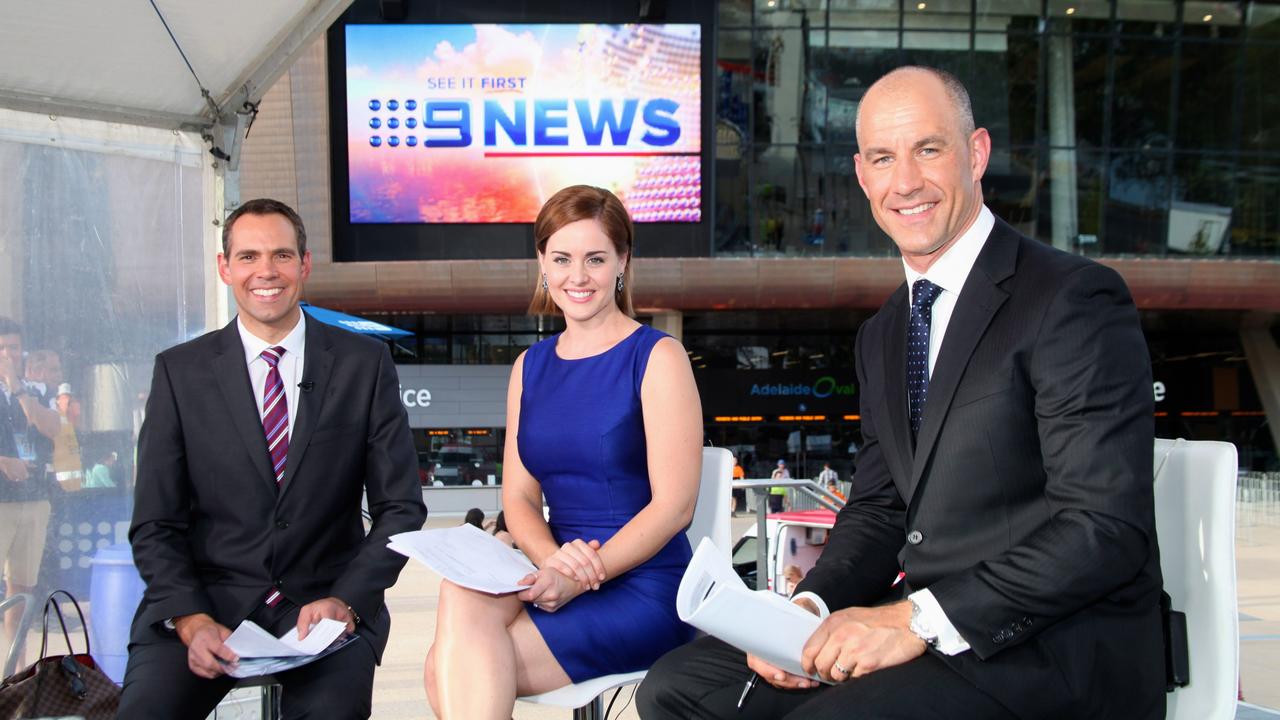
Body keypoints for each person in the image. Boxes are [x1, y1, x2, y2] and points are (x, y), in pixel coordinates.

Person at [638, 66, 1164, 720]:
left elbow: (1104, 528)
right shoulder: (885, 333)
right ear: (862, 176)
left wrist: (912, 620)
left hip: (1050, 649)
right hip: (929, 632)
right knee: (677, 689)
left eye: (929, 149)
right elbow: (883, 507)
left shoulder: (1072, 299)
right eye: (884, 158)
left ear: (976, 154)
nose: (906, 182)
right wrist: (806, 612)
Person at [119, 198, 428, 719]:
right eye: (248, 257)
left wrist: (347, 600)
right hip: (206, 602)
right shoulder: (179, 373)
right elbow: (155, 523)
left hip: (326, 607)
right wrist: (190, 618)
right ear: (225, 267)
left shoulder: (364, 365)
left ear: (304, 266)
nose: (266, 271)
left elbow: (401, 509)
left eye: (282, 255)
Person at [424, 185, 703, 719]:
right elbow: (520, 497)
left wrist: (582, 574)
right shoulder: (530, 367)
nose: (578, 276)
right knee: (458, 596)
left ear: (622, 261)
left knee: (447, 667)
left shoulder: (659, 356)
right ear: (542, 265)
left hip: (642, 584)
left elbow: (675, 508)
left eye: (595, 258)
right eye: (562, 259)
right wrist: (554, 562)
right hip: (554, 567)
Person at [0, 318, 59, 660]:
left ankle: (15, 669)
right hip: (2, 501)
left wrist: (17, 387)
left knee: (22, 588)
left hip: (34, 500)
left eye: (13, 348)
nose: (8, 354)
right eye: (2, 348)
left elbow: (52, 428)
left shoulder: (35, 390)